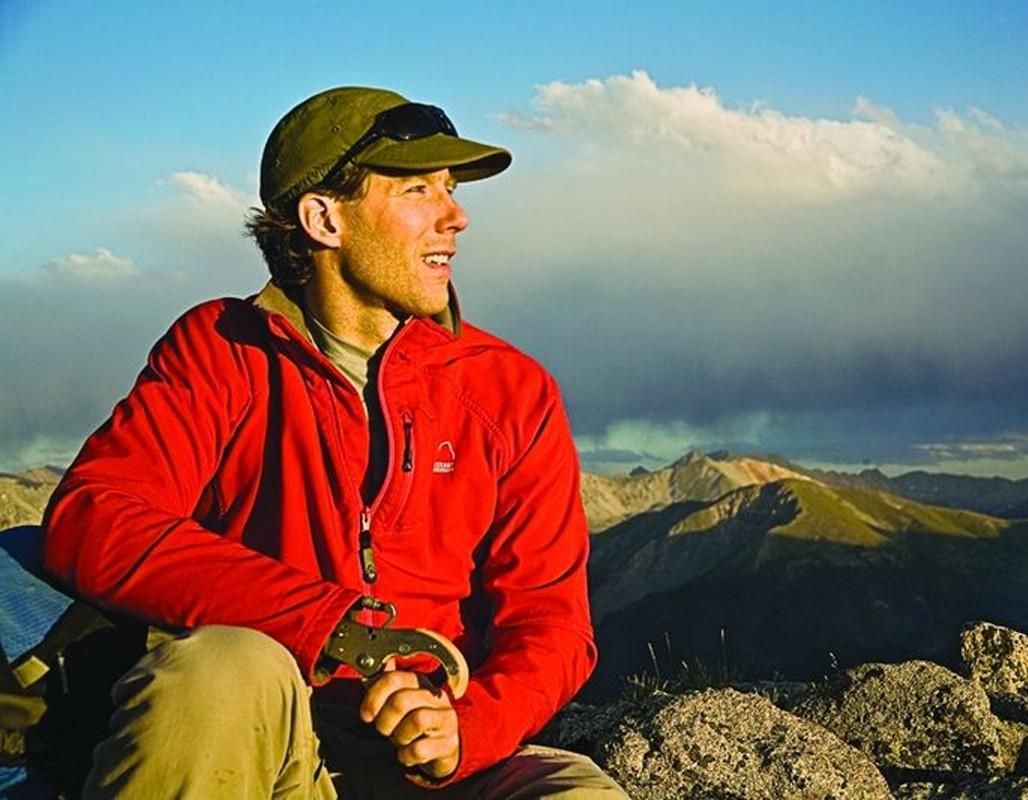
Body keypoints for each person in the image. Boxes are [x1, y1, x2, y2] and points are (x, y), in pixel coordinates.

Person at [41, 86, 627, 798]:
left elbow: (552, 623)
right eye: (418, 189)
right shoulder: (222, 350)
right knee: (223, 669)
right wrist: (322, 623)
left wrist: (468, 727)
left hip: (448, 766)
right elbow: (94, 517)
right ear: (324, 219)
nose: (457, 216)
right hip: (270, 744)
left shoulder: (510, 389)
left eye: (451, 189)